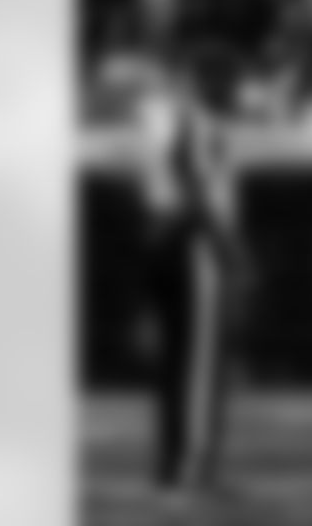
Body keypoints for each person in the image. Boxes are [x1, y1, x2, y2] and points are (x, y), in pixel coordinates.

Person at [134, 51, 246, 504]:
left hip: (168, 237)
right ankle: (191, 465)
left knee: (177, 363)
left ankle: (173, 463)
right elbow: (191, 175)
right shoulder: (188, 118)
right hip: (193, 242)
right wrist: (227, 244)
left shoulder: (159, 115)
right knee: (199, 364)